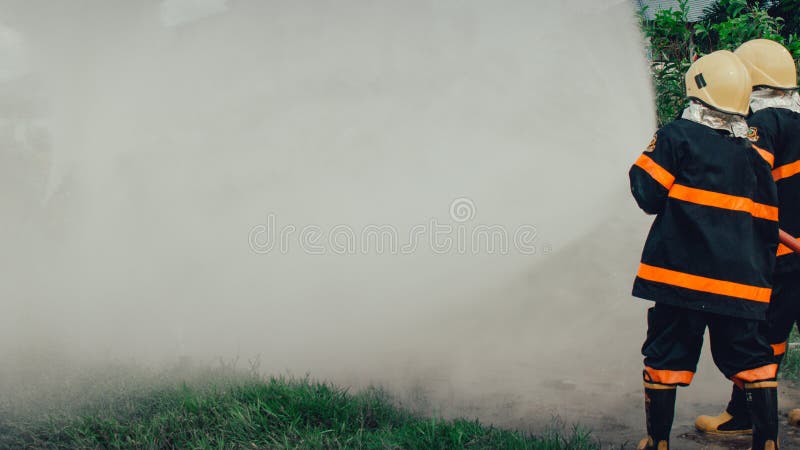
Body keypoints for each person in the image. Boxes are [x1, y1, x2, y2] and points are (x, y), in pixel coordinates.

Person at [629, 50, 780, 450]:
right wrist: (759, 283)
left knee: (666, 356)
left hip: (680, 281)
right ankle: (768, 442)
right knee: (752, 358)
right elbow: (766, 226)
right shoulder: (754, 155)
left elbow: (646, 193)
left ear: (697, 93)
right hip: (739, 286)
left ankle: (657, 441)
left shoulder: (676, 136)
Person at [695, 39, 800, 439]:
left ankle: (743, 418)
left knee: (761, 339)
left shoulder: (762, 126)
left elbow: (748, 188)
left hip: (777, 253)